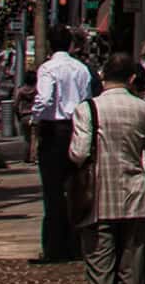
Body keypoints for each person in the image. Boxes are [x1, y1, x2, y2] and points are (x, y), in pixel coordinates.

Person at [72, 55, 145, 284]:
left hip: (98, 199)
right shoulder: (144, 109)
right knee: (132, 271)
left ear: (103, 77)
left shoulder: (87, 109)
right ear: (132, 78)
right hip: (134, 198)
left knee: (100, 272)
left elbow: (79, 153)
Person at [30, 26, 97, 263]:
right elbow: (88, 99)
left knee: (53, 191)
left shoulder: (48, 68)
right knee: (76, 189)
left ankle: (54, 246)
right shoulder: (81, 69)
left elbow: (44, 98)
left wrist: (35, 118)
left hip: (53, 130)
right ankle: (74, 244)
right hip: (76, 128)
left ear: (50, 45)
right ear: (70, 45)